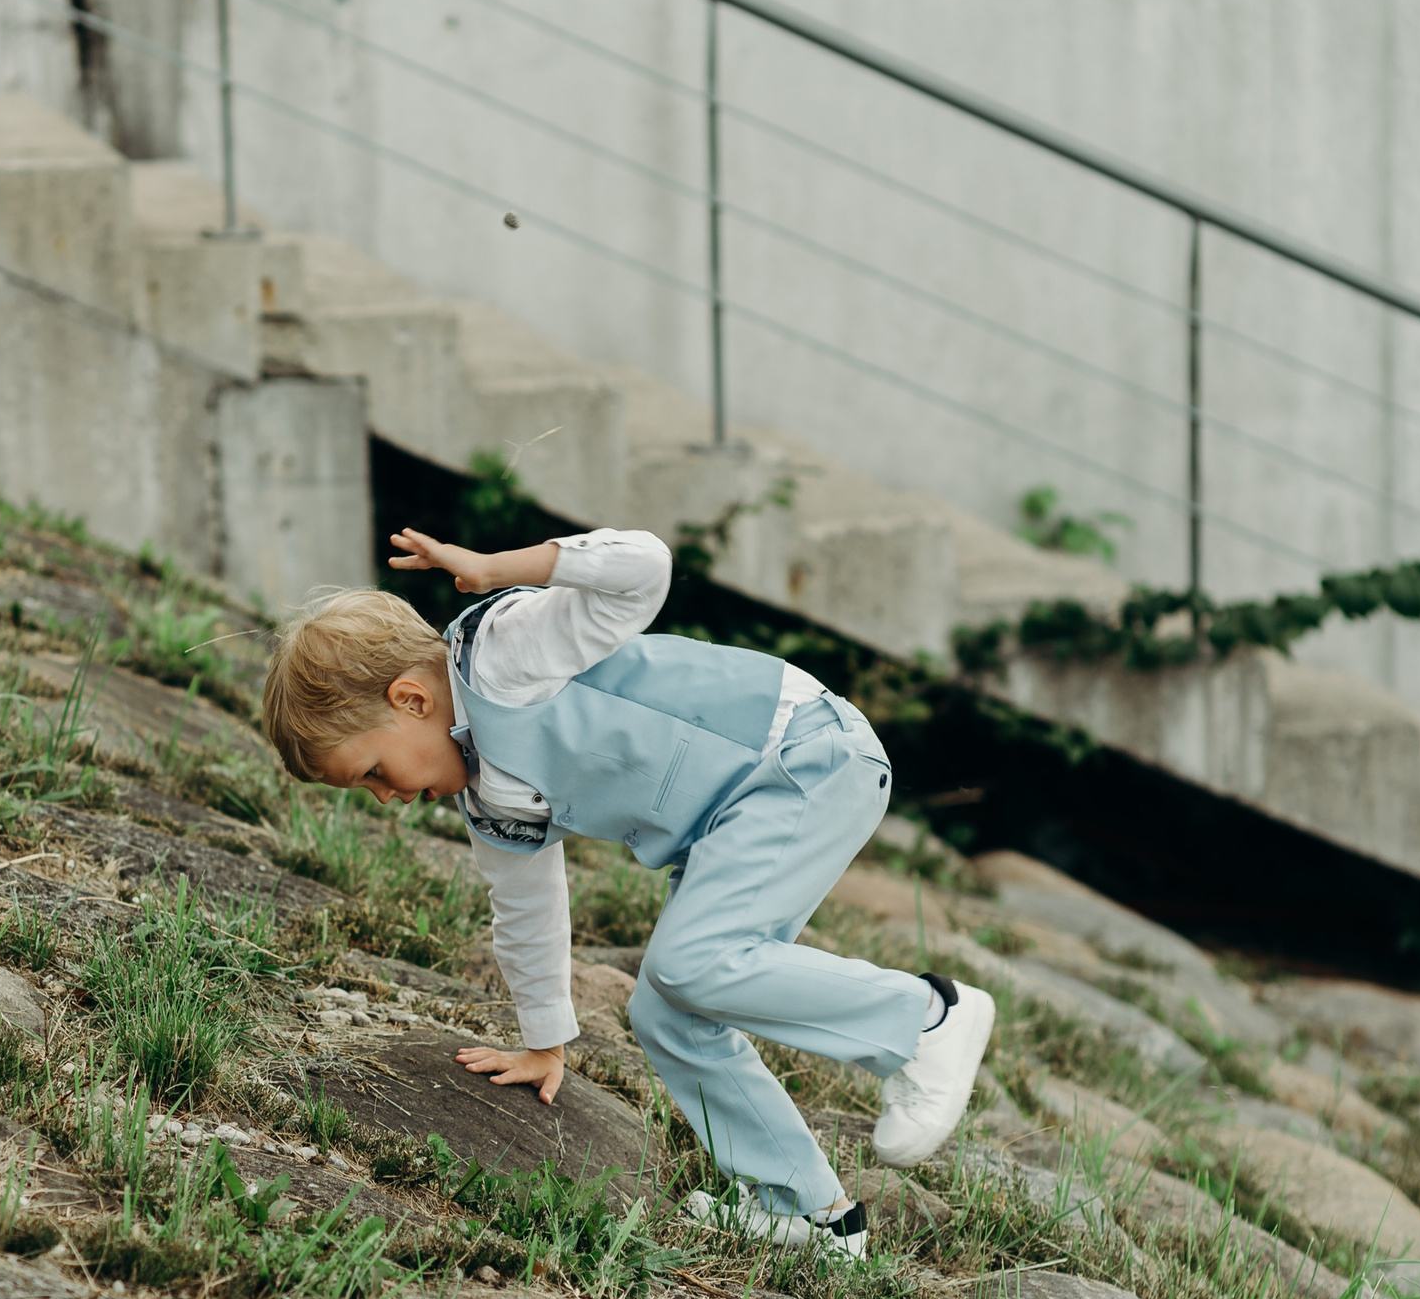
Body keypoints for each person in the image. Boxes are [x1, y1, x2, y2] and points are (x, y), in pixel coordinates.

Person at [259, 524, 996, 1260]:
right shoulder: (490, 800)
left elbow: (645, 567)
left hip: (800, 753)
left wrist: (498, 566)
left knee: (691, 960)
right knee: (666, 1010)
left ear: (411, 699)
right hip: (731, 817)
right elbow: (525, 908)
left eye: (374, 772)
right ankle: (811, 1213)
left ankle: (928, 1018)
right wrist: (545, 1043)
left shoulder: (503, 655)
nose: (387, 797)